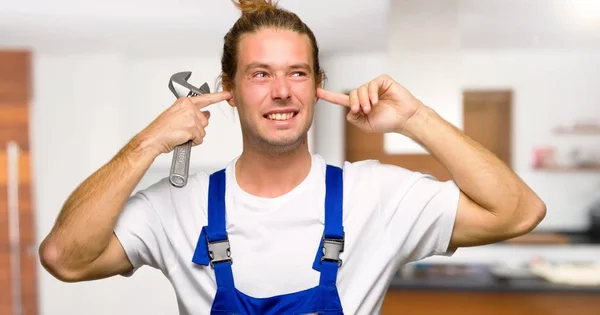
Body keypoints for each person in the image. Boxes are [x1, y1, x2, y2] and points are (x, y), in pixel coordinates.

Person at [39, 0, 546, 314]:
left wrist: (415, 117)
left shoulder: (377, 195)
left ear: (318, 85)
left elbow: (518, 212)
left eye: (298, 73)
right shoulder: (176, 206)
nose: (282, 91)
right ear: (228, 91)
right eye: (260, 74)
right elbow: (65, 258)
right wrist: (144, 144)